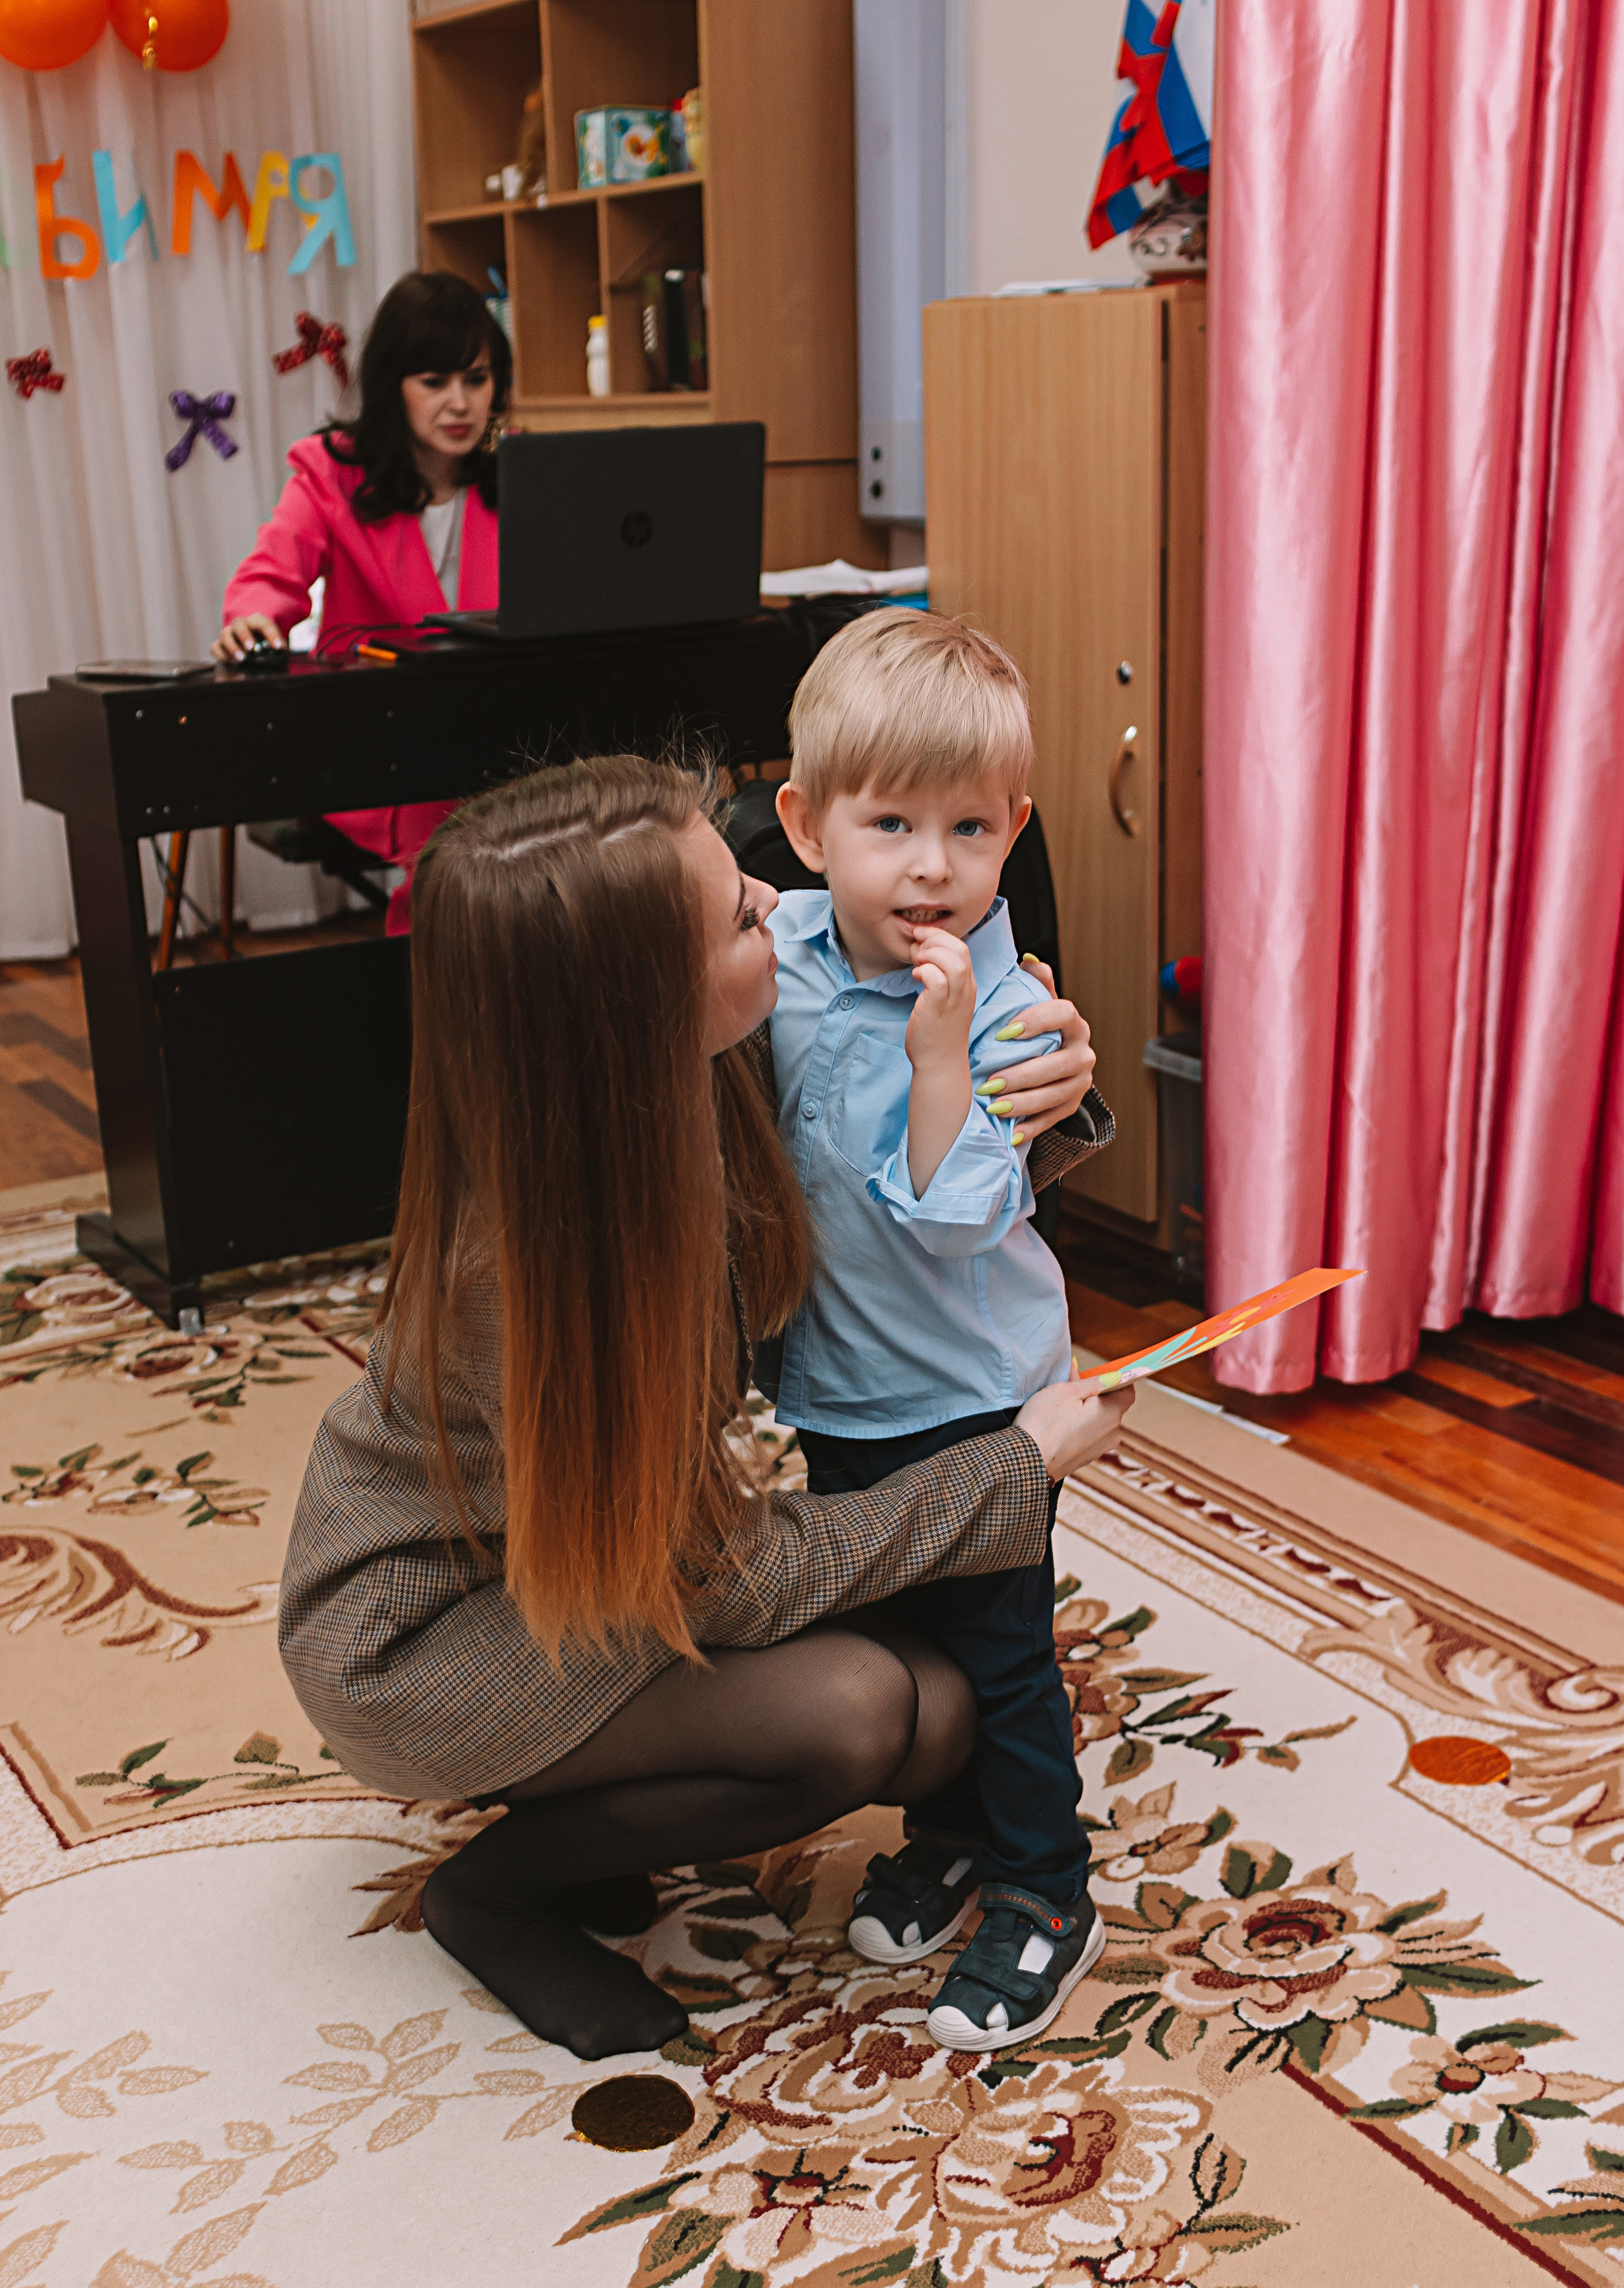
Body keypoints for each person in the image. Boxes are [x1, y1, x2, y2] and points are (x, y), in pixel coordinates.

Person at [277, 754, 1133, 2062]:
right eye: (738, 912)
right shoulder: (510, 1277)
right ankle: (496, 1892)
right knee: (877, 1716)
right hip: (421, 1639)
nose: (775, 898)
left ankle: (581, 1812)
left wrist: (1031, 1095)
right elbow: (718, 1577)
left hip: (558, 1570)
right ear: (639, 1004)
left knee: (945, 1693)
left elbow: (866, 1178)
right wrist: (1003, 1472)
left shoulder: (687, 1073)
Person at [766, 608, 1113, 2053]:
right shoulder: (771, 947)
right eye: (888, 820)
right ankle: (952, 1829)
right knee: (901, 1639)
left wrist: (934, 1051)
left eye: (967, 827)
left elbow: (957, 1214)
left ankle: (1045, 1877)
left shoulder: (1003, 1008)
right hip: (837, 1383)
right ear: (803, 827)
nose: (928, 863)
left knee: (1000, 1648)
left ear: (1011, 829)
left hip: (974, 1393)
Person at [213, 270, 508, 931]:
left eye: (477, 379)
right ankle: (439, 1008)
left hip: (502, 730)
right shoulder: (331, 470)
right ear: (392, 386)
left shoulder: (524, 471)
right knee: (468, 840)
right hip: (383, 741)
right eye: (434, 383)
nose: (460, 403)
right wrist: (255, 619)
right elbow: (271, 572)